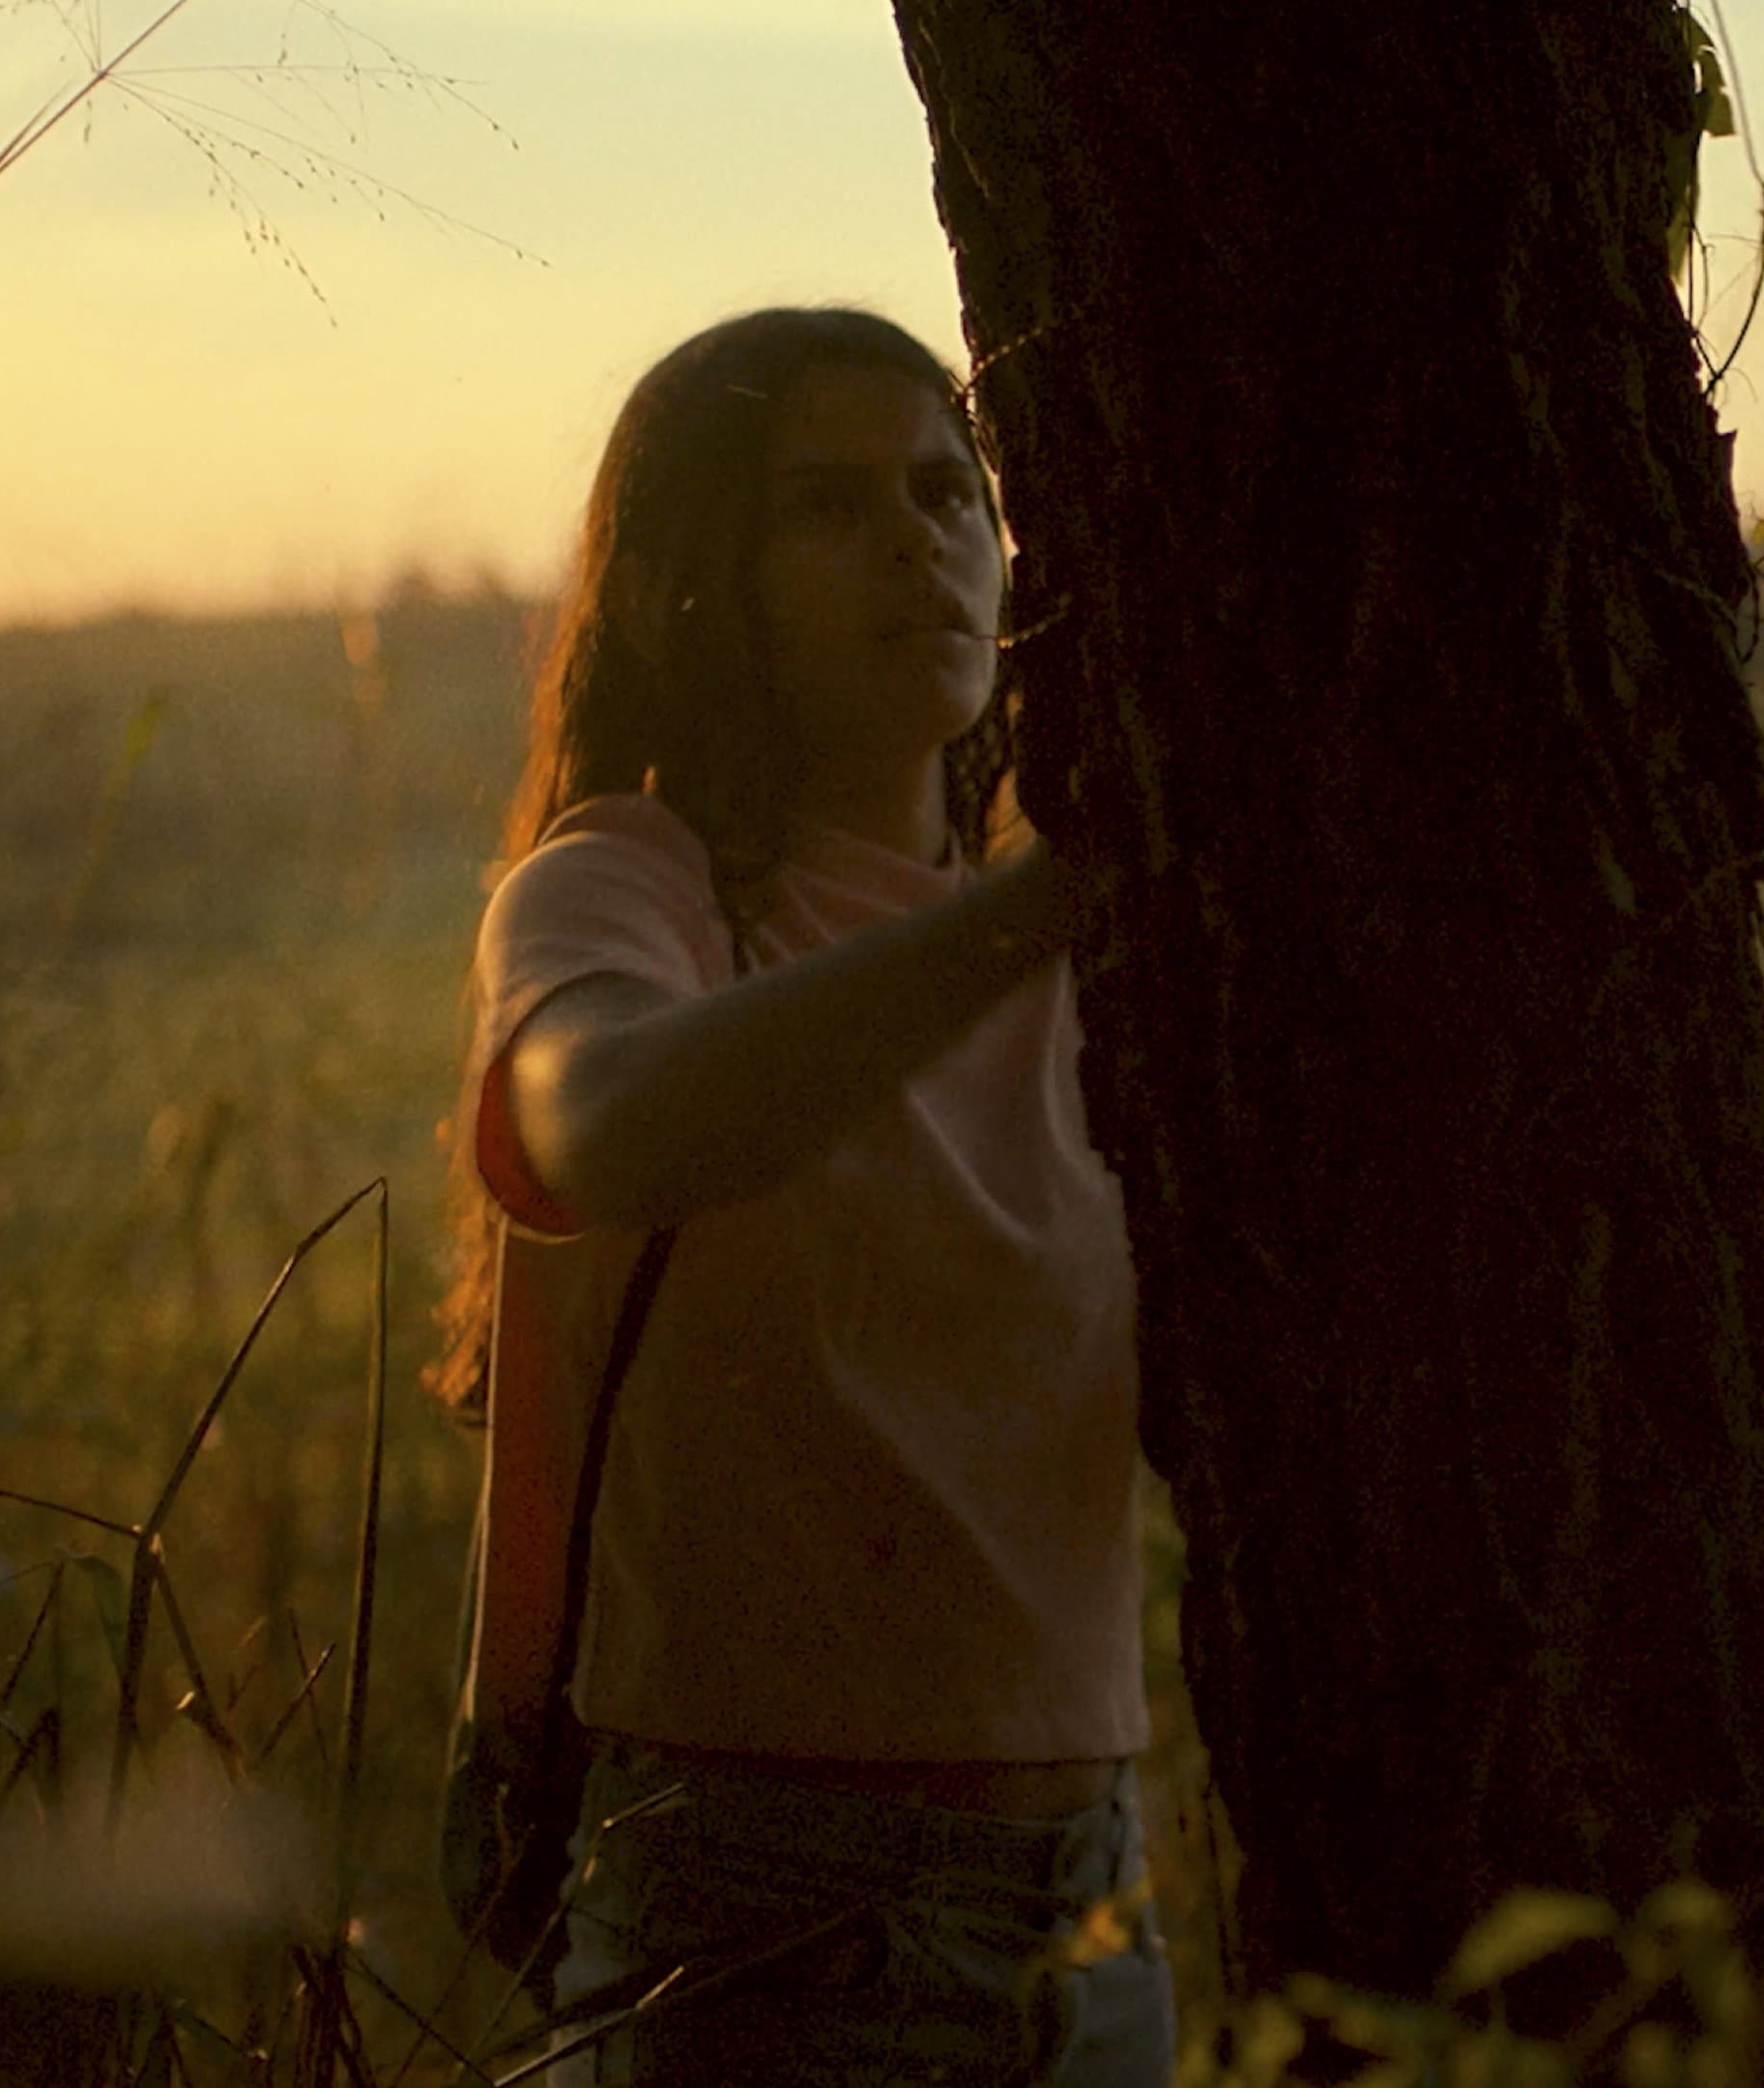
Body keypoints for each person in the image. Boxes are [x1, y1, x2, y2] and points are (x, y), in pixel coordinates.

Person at [431, 305, 1167, 2085]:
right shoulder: (627, 890)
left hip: (1093, 1912)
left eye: (944, 491)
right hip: (758, 1913)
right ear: (700, 584)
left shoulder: (1111, 962)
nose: (916, 539)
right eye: (826, 507)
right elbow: (605, 1128)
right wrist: (1047, 895)